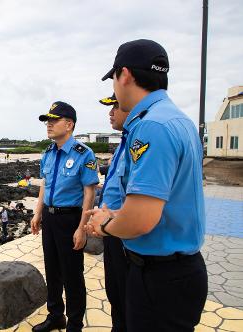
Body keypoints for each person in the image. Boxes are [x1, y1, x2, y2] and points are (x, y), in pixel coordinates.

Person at [86, 39, 207, 332]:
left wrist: (104, 224)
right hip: (176, 272)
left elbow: (141, 219)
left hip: (161, 276)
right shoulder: (179, 120)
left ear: (124, 75)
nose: (114, 89)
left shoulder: (151, 126)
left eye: (113, 79)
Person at [31, 101, 98, 332]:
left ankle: (75, 324)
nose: (48, 125)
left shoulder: (84, 154)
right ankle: (55, 316)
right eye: (47, 121)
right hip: (50, 219)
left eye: (53, 120)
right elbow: (44, 185)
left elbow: (90, 191)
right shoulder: (48, 153)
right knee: (52, 269)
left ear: (69, 124)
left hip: (70, 219)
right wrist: (38, 213)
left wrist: (82, 227)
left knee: (72, 275)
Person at [95, 93, 130, 332]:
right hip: (112, 234)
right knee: (115, 294)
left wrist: (106, 223)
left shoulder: (142, 141)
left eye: (115, 107)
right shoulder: (124, 142)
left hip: (125, 235)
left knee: (127, 300)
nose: (110, 112)